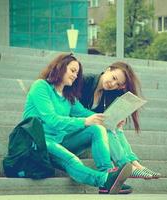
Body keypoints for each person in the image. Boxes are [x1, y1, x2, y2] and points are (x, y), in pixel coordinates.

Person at [22, 53, 132, 194]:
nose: (75, 75)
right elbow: (52, 120)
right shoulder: (41, 87)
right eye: (72, 70)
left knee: (97, 128)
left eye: (77, 73)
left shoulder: (68, 96)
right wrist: (84, 122)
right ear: (60, 67)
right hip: (39, 142)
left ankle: (109, 173)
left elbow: (87, 114)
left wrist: (112, 121)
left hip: (60, 141)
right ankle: (104, 181)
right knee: (72, 160)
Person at [79, 61, 161, 179]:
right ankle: (125, 166)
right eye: (113, 78)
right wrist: (100, 119)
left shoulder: (109, 94)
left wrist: (115, 121)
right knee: (104, 127)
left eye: (118, 84)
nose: (112, 84)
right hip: (75, 128)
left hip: (91, 131)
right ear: (108, 69)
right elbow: (73, 109)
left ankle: (135, 164)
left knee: (115, 128)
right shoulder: (85, 81)